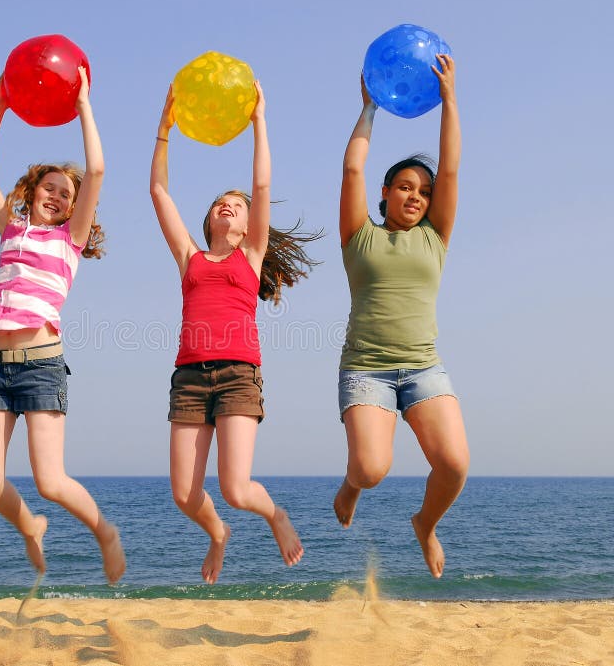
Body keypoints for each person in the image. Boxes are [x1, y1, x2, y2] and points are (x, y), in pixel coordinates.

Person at [150, 82, 319, 584]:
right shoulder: (191, 258)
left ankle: (275, 515)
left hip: (238, 374)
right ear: (207, 221)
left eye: (237, 205)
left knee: (237, 488)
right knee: (185, 494)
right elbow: (159, 192)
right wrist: (164, 131)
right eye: (221, 203)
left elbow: (261, 186)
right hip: (189, 377)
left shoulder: (250, 257)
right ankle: (217, 533)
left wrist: (259, 121)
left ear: (248, 226)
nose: (229, 206)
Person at [0, 67, 125, 584]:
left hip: (39, 365)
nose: (57, 196)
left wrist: (83, 105)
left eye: (66, 193)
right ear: (32, 190)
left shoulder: (68, 242)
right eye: (50, 187)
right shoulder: (9, 227)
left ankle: (105, 531)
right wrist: (0, 104)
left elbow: (97, 170)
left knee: (51, 480)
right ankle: (30, 527)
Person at [333, 54, 468, 579]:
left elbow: (451, 167)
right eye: (405, 187)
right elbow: (351, 169)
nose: (415, 196)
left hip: (423, 368)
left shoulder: (435, 237)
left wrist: (450, 99)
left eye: (423, 191)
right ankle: (351, 484)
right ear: (386, 193)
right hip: (366, 369)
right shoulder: (358, 236)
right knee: (370, 469)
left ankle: (425, 525)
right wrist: (369, 107)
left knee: (454, 466)